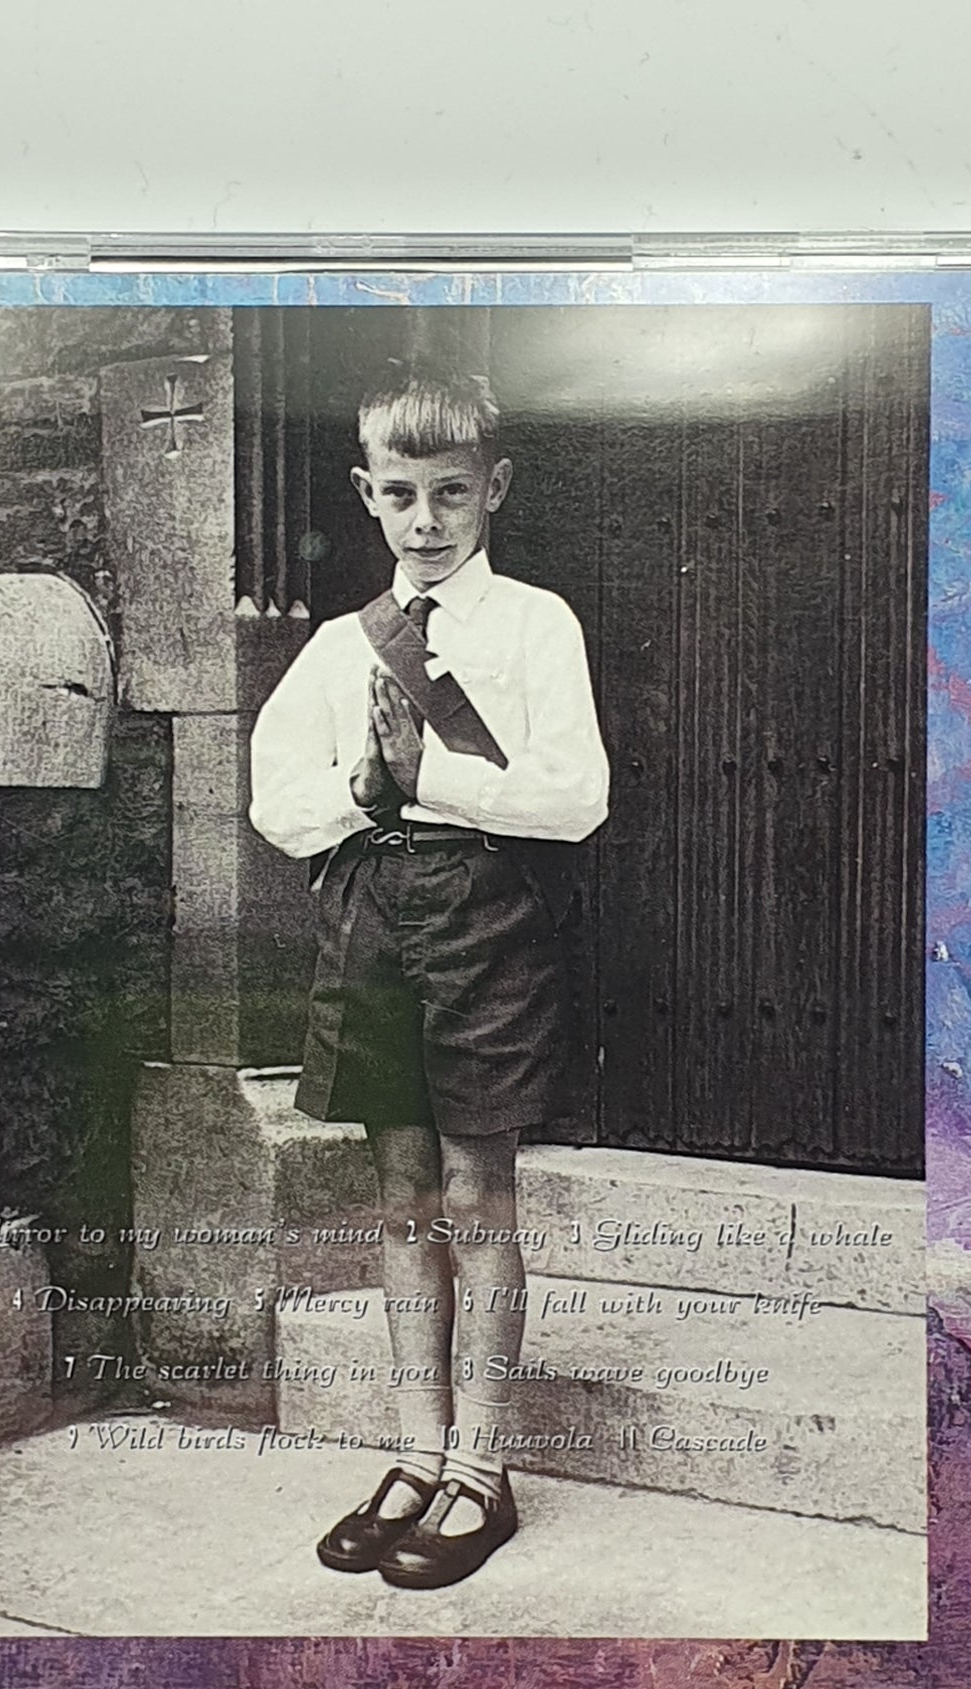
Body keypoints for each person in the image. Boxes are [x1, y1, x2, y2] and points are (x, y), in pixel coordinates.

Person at [248, 368, 609, 1589]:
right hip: (372, 918)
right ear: (366, 494)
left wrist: (429, 780)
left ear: (492, 488)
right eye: (399, 494)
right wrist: (360, 794)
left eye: (449, 493)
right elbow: (275, 799)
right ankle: (414, 1451)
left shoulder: (535, 624)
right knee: (400, 1193)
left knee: (473, 1191)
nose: (424, 519)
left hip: (485, 919)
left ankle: (480, 1467)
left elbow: (573, 795)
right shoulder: (337, 646)